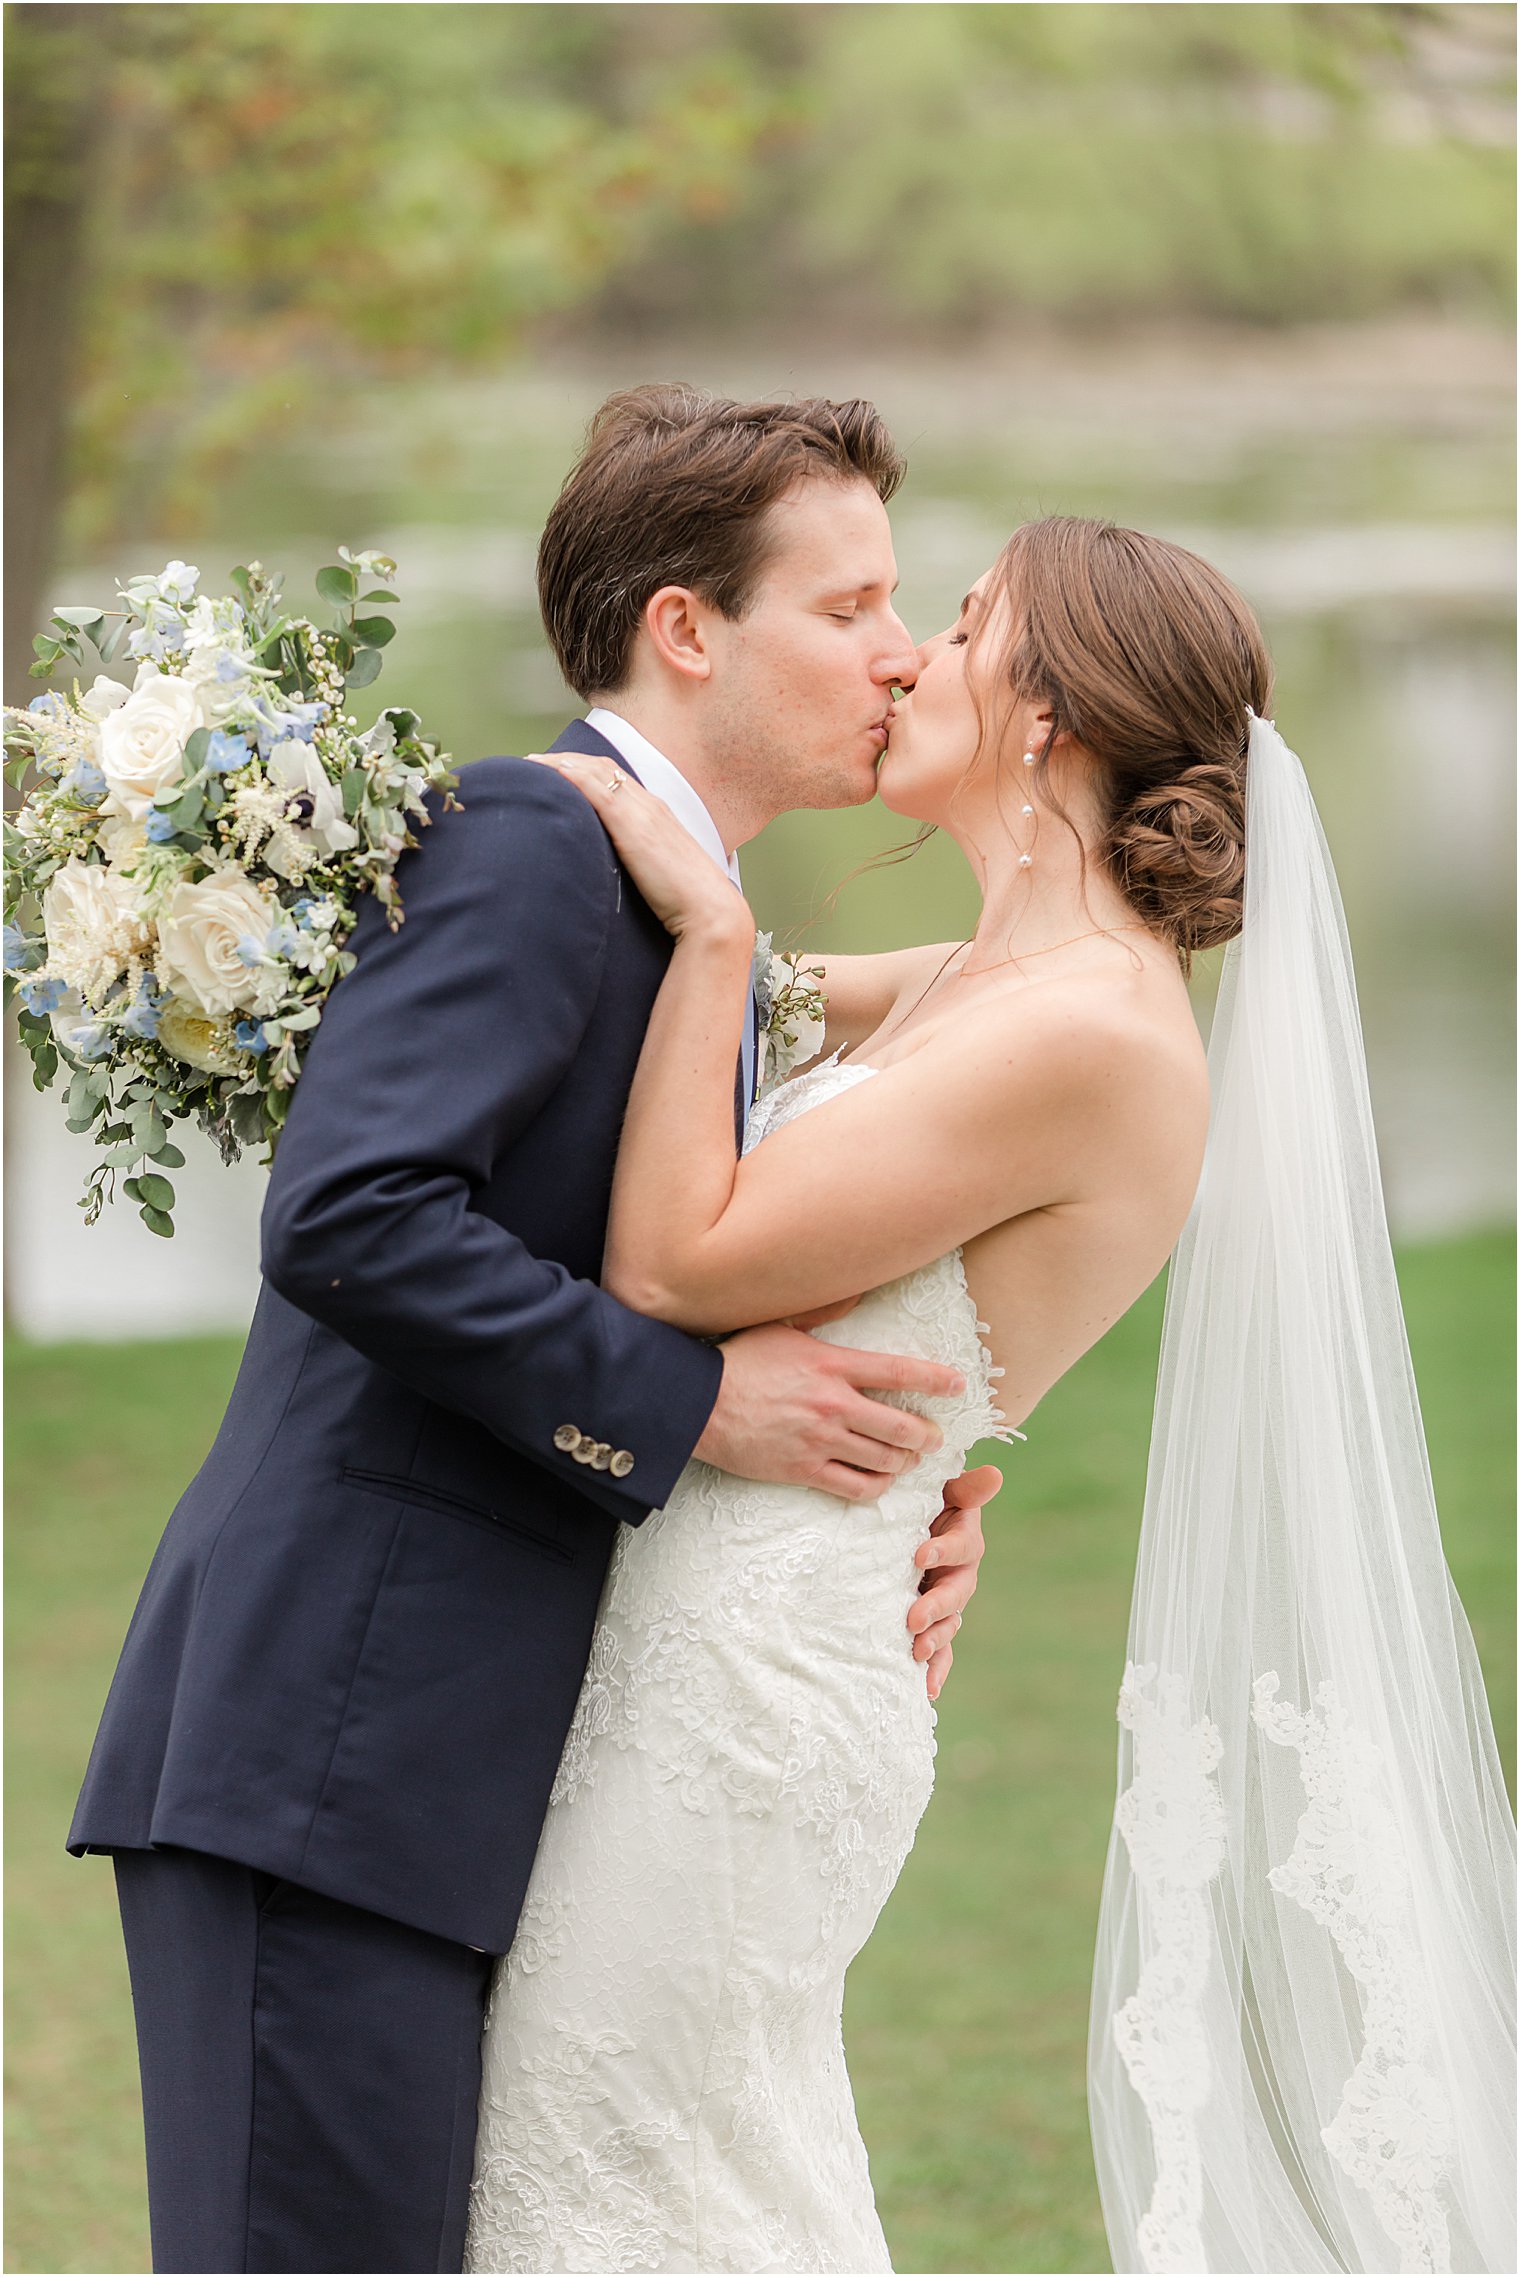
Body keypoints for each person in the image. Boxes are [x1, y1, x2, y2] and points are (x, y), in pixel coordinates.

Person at [465, 512, 1514, 2275]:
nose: (905, 660)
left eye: (957, 627)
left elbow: (675, 1263)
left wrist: (719, 933)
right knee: (680, 2179)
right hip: (709, 1628)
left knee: (628, 2172)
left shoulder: (1094, 1029)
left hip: (748, 1695)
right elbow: (646, 1002)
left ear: (1046, 716)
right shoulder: (983, 983)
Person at [67, 388, 1002, 2276]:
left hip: (466, 1774)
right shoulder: (527, 837)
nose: (900, 654)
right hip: (328, 1754)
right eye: (850, 608)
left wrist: (876, 1517)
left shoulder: (696, 923)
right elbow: (349, 1214)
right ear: (687, 628)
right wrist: (697, 1406)